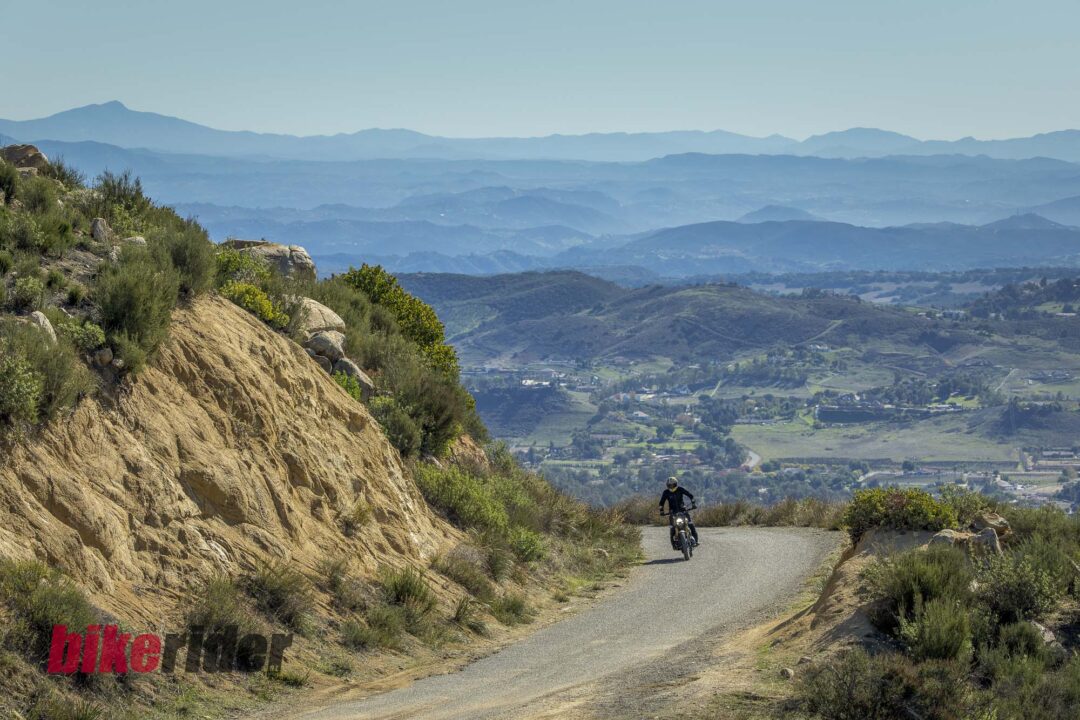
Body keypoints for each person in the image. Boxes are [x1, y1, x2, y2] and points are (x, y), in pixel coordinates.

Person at [658, 476, 698, 547]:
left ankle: (696, 541)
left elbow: (690, 495)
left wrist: (693, 504)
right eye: (669, 485)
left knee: (690, 525)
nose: (671, 486)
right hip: (672, 513)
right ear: (667, 485)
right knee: (672, 528)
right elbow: (661, 503)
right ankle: (674, 544)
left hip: (683, 511)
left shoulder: (680, 489)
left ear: (676, 484)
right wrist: (661, 511)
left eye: (673, 484)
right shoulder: (666, 492)